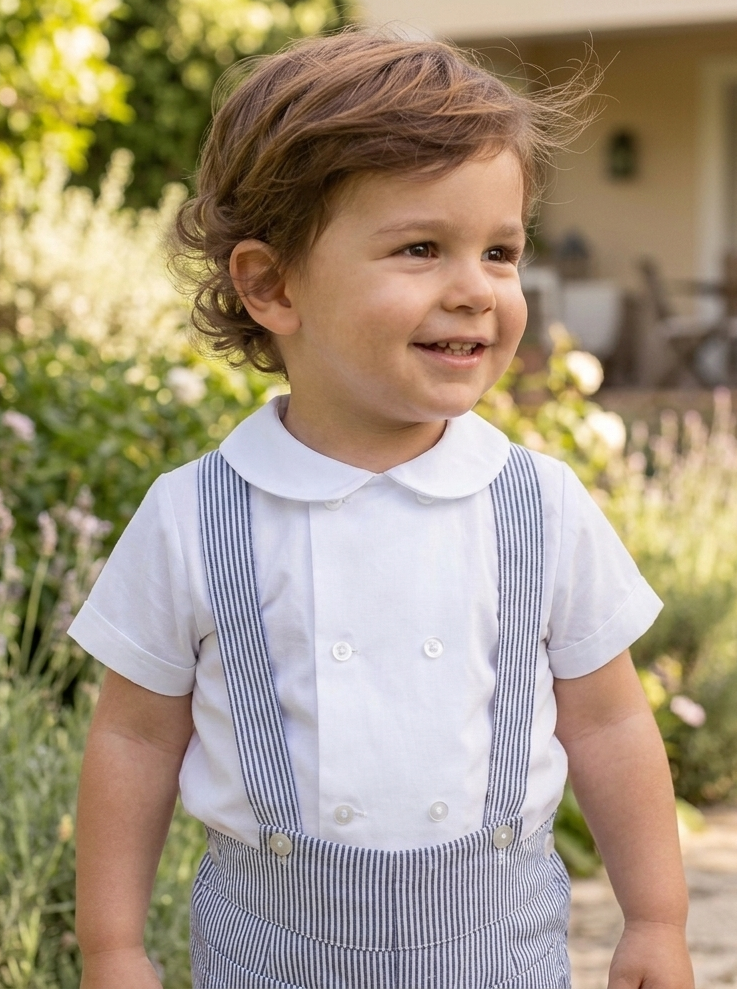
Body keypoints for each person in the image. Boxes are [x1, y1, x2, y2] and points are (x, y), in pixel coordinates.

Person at [70, 31, 694, 989]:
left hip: (496, 951)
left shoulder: (535, 506)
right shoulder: (195, 516)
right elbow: (135, 736)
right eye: (420, 248)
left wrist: (654, 917)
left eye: (499, 251)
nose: (474, 291)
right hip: (269, 952)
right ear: (271, 284)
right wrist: (113, 950)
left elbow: (608, 725)